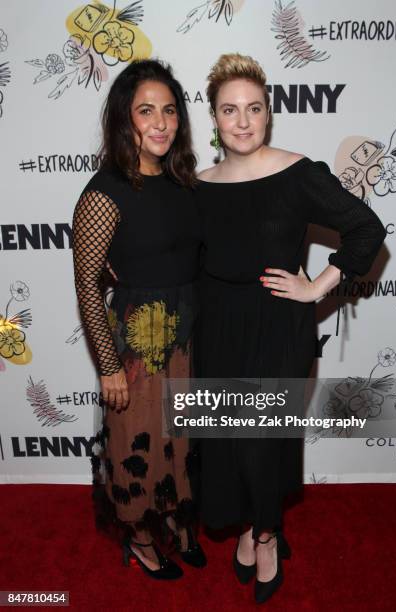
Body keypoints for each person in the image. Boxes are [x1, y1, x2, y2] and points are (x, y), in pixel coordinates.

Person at [195, 53, 386, 604]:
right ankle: (251, 524)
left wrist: (316, 286)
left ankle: (267, 535)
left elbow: (366, 229)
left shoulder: (298, 172)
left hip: (278, 324)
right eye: (229, 110)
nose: (243, 120)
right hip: (218, 326)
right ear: (213, 117)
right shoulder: (199, 185)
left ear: (268, 113)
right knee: (225, 440)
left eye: (253, 108)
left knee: (262, 440)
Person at [72, 59, 206, 580]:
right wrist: (108, 366)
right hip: (136, 343)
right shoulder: (105, 192)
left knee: (180, 441)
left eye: (169, 110)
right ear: (124, 120)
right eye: (146, 110)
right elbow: (88, 283)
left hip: (187, 337)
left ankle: (172, 518)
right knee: (137, 446)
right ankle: (141, 535)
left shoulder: (183, 182)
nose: (160, 122)